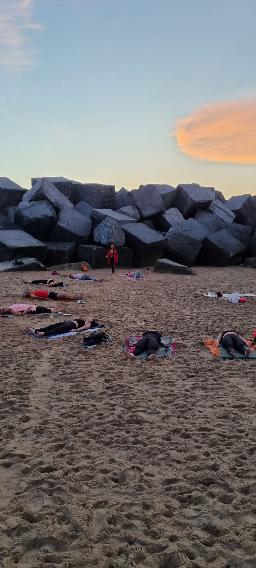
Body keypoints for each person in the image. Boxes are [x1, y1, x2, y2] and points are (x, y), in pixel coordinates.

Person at [25, 318, 102, 337]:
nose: (90, 318)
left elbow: (84, 328)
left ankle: (42, 333)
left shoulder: (88, 324)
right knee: (51, 326)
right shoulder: (85, 320)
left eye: (91, 319)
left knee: (57, 330)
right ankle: (36, 330)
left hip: (71, 325)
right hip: (68, 323)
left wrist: (76, 330)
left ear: (92, 322)